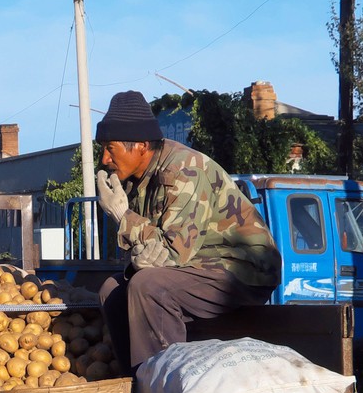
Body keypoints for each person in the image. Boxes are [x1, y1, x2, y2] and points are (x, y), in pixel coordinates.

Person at [94, 90, 281, 372]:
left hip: (242, 269)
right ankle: (136, 383)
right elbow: (152, 248)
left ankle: (168, 386)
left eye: (111, 148)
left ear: (141, 146)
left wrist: (122, 215)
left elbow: (171, 253)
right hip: (199, 264)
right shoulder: (137, 180)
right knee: (113, 289)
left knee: (149, 286)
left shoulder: (183, 170)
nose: (105, 158)